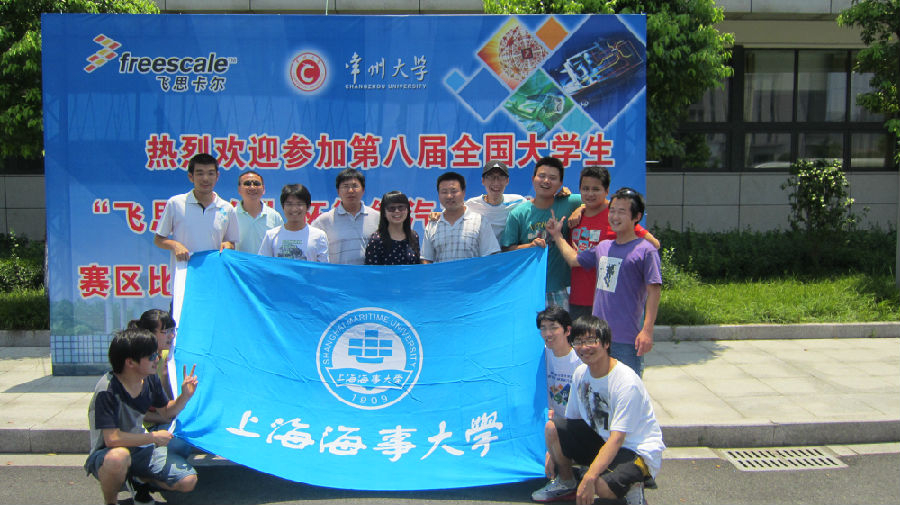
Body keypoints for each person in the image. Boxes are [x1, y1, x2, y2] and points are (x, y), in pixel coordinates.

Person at [531, 316, 664, 505]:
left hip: (634, 449)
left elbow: (617, 439)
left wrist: (589, 477)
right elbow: (570, 422)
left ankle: (634, 486)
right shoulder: (580, 374)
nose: (584, 347)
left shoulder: (626, 382)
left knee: (598, 486)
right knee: (553, 428)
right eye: (578, 341)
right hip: (603, 439)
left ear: (606, 343)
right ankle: (567, 482)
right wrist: (552, 453)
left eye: (591, 340)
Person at [545, 188, 662, 377]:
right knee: (597, 387)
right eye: (612, 210)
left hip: (626, 338)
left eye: (621, 211)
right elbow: (574, 260)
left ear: (637, 217)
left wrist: (647, 331)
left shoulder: (646, 251)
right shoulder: (604, 247)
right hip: (597, 336)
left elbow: (654, 291)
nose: (614, 216)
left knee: (626, 387)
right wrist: (557, 235)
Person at [85, 328, 200, 505]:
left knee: (187, 480)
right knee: (118, 458)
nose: (158, 359)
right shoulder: (107, 390)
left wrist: (184, 396)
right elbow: (112, 439)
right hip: (107, 453)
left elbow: (166, 412)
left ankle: (139, 480)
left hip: (140, 448)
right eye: (152, 356)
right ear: (130, 362)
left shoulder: (150, 379)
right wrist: (153, 437)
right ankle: (111, 502)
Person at [567, 167, 660, 320]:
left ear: (606, 190)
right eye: (585, 189)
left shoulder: (615, 216)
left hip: (609, 301)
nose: (590, 194)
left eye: (596, 189)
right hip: (577, 297)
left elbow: (653, 244)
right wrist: (580, 208)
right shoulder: (575, 215)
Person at [502, 156, 582, 309]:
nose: (546, 181)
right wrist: (530, 246)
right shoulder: (518, 214)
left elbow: (602, 202)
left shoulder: (570, 202)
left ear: (561, 183)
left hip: (561, 289)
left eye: (553, 178)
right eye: (542, 176)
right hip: (527, 290)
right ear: (533, 179)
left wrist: (581, 208)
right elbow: (506, 250)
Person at [127, 309, 192, 459]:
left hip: (159, 423)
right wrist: (164, 420)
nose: (172, 336)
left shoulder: (168, 358)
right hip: (136, 430)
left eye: (173, 330)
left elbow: (166, 408)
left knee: (181, 441)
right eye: (166, 331)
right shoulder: (135, 364)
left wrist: (183, 395)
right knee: (177, 444)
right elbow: (132, 413)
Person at [154, 153, 240, 265]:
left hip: (214, 270)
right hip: (184, 270)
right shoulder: (175, 203)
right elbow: (159, 239)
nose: (205, 179)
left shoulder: (227, 208)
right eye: (200, 173)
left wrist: (228, 245)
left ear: (217, 176)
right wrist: (175, 245)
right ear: (191, 177)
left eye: (210, 173)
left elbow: (231, 243)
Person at [421, 171, 500, 263]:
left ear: (463, 192)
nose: (449, 196)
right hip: (443, 273)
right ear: (438, 194)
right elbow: (426, 259)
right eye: (444, 192)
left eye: (454, 191)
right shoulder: (433, 224)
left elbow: (491, 257)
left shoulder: (480, 222)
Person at [310, 168, 379, 264]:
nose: (350, 191)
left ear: (363, 190)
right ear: (338, 191)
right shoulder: (324, 220)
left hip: (368, 273)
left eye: (355, 186)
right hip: (338, 273)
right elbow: (311, 246)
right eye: (345, 186)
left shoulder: (377, 217)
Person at [258, 184, 329, 262]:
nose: (294, 209)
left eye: (299, 204)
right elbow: (263, 265)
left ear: (308, 207)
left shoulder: (319, 236)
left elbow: (322, 267)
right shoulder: (271, 235)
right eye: (289, 204)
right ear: (283, 206)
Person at [464, 160, 527, 242]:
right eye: (490, 177)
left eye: (501, 177)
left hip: (509, 249)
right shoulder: (471, 205)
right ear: (483, 181)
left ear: (507, 181)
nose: (496, 182)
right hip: (482, 250)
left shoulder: (519, 202)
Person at [536, 306, 581, 420]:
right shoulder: (540, 356)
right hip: (552, 419)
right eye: (543, 328)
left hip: (577, 422)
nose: (548, 333)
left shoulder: (580, 360)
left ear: (568, 330)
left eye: (553, 328)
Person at [364, 191, 421, 265]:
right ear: (384, 213)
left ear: (407, 210)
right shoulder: (376, 240)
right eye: (391, 208)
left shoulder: (413, 236)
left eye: (401, 207)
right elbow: (371, 270)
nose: (397, 211)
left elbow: (417, 266)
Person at [234, 170, 284, 254]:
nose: (252, 187)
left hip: (266, 263)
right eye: (247, 183)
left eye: (256, 184)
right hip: (238, 262)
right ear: (239, 189)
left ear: (263, 189)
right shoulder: (231, 215)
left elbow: (281, 247)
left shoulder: (274, 217)